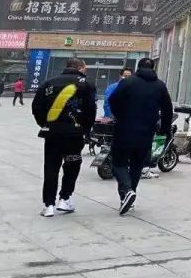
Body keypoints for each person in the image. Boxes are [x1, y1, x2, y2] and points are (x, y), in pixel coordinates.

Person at [31, 58, 98, 217]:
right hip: (75, 134)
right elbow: (91, 110)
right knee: (72, 165)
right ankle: (65, 198)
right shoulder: (87, 85)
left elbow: (36, 107)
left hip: (53, 133)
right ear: (80, 67)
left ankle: (48, 205)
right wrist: (86, 130)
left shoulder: (48, 83)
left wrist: (45, 124)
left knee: (51, 167)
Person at [107, 57, 172, 216]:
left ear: (138, 67)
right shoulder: (160, 86)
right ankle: (128, 197)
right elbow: (167, 110)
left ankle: (127, 190)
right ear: (154, 67)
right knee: (137, 165)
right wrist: (164, 130)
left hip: (124, 130)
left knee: (118, 164)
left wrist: (119, 116)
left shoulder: (128, 82)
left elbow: (113, 100)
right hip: (146, 132)